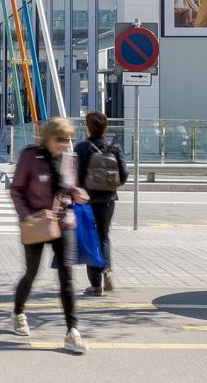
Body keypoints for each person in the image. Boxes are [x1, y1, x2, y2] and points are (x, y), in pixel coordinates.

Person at [10, 117, 86, 354]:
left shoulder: (69, 159)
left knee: (67, 277)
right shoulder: (30, 156)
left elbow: (67, 187)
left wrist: (77, 192)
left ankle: (72, 331)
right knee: (32, 272)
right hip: (37, 222)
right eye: (60, 139)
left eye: (68, 139)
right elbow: (17, 190)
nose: (65, 143)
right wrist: (25, 216)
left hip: (63, 222)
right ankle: (18, 311)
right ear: (48, 137)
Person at [75, 111, 127, 297]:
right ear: (106, 127)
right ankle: (107, 269)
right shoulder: (114, 148)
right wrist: (110, 186)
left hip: (87, 199)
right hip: (108, 200)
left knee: (91, 239)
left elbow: (77, 175)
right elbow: (124, 175)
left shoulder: (82, 148)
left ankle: (95, 285)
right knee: (104, 236)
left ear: (88, 127)